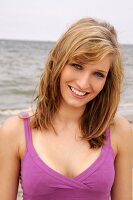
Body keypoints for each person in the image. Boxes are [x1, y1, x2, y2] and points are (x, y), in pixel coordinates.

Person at [0, 17, 133, 200]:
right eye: (77, 66)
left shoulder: (120, 131)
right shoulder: (15, 131)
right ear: (58, 62)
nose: (83, 83)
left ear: (107, 81)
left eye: (98, 74)